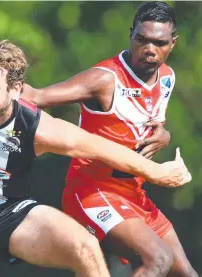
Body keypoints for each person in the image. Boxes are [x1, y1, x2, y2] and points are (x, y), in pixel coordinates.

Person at [0, 40, 190, 277]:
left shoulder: (35, 126)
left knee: (85, 247)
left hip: (10, 215)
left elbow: (98, 147)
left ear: (16, 90)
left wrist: (157, 172)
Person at [21, 2, 197, 277]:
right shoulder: (105, 79)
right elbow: (36, 97)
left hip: (133, 194)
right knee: (157, 259)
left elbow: (151, 121)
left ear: (172, 44)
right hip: (92, 191)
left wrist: (165, 135)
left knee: (184, 272)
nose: (149, 49)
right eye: (141, 39)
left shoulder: (166, 78)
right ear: (131, 34)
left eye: (158, 43)